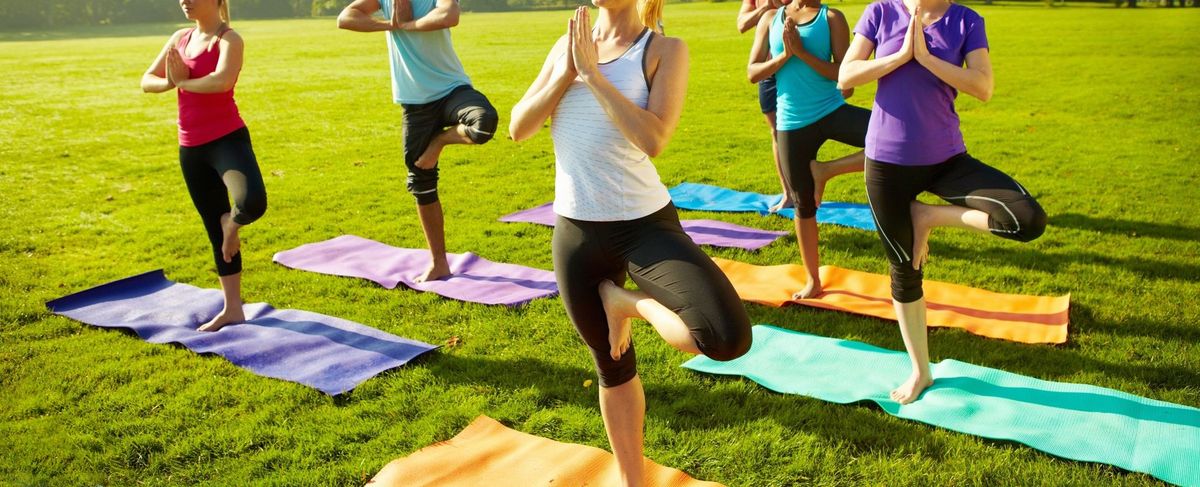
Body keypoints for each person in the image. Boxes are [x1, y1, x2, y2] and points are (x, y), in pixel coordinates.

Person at [509, 4, 752, 485]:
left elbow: (654, 138)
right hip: (577, 232)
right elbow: (520, 127)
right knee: (612, 367)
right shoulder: (569, 45)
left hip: (644, 227)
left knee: (724, 337)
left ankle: (623, 302)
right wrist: (567, 71)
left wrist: (596, 79)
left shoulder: (664, 50)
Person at [839, 0, 1047, 403]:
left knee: (1026, 219)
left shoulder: (966, 20)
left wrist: (928, 59)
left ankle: (928, 215)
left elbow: (982, 87)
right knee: (905, 269)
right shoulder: (880, 12)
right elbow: (845, 75)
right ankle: (921, 371)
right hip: (886, 164)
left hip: (947, 159)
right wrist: (900, 56)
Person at [337, 0, 499, 281]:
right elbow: (345, 17)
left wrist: (408, 26)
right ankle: (438, 262)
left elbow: (449, 15)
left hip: (452, 90)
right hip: (415, 104)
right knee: (421, 181)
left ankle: (439, 141)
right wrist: (391, 24)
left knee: (484, 123)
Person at [141, 0, 267, 332]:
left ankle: (232, 224)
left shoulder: (229, 39)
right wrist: (171, 80)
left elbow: (221, 81)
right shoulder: (179, 38)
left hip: (227, 139)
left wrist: (182, 82)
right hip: (191, 147)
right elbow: (146, 80)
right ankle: (232, 308)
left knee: (251, 202)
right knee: (214, 226)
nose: (185, 1)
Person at [747, 0, 867, 299]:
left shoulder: (832, 18)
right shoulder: (770, 19)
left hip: (832, 110)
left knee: (895, 139)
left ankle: (826, 170)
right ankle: (813, 281)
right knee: (804, 205)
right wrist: (785, 56)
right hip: (792, 122)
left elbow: (843, 74)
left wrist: (801, 53)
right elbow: (753, 72)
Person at [737, 0, 792, 213]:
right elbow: (741, 24)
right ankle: (788, 193)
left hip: (795, 66)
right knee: (777, 133)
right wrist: (765, 7)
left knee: (802, 131)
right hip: (768, 70)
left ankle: (809, 187)